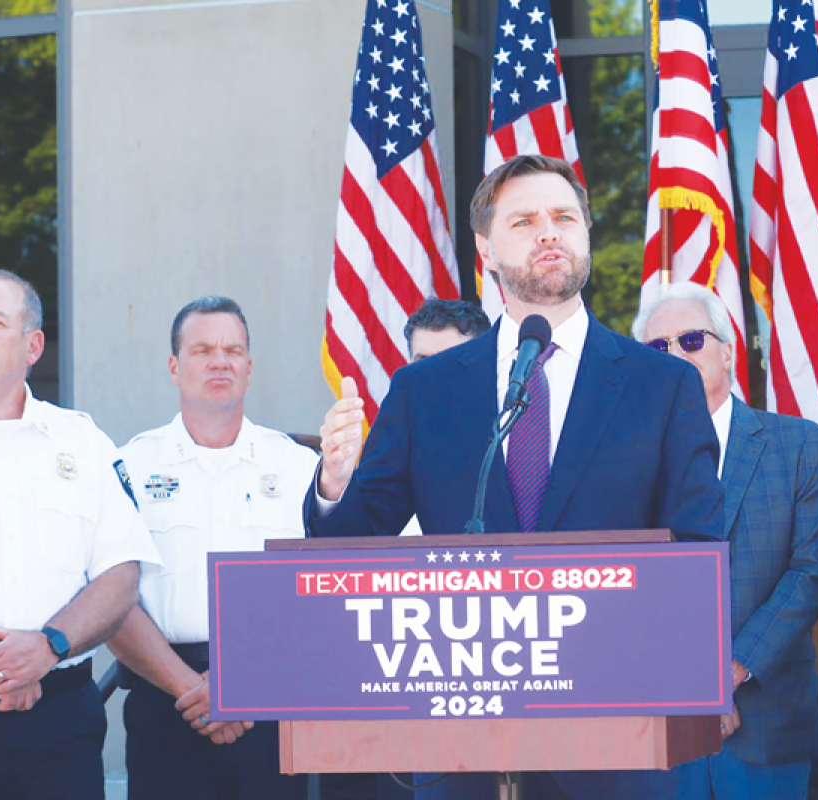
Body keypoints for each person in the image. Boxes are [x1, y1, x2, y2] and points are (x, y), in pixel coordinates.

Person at [306, 154, 725, 799]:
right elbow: (354, 547)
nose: (549, 232)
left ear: (586, 231)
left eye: (563, 217)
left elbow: (698, 552)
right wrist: (335, 486)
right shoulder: (425, 390)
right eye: (525, 221)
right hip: (461, 749)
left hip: (613, 747)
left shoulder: (662, 386)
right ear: (485, 249)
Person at [0, 269, 160, 799]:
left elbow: (121, 575)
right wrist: (7, 666)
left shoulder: (84, 441)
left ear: (34, 345)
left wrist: (49, 647)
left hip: (60, 723)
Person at [633, 282, 818, 799]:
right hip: (660, 722)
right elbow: (622, 575)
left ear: (728, 350)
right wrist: (692, 684)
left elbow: (812, 571)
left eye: (691, 340)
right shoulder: (624, 458)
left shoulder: (798, 443)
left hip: (766, 720)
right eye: (659, 348)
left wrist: (729, 672)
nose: (677, 354)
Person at [109, 296, 320, 800]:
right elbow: (110, 596)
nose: (220, 360)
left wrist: (244, 685)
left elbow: (319, 590)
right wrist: (189, 687)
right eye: (202, 349)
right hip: (164, 692)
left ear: (249, 367)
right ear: (174, 367)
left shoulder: (295, 467)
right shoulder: (128, 468)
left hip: (272, 698)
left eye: (233, 349)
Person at [397, 298, 491, 538]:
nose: (435, 376)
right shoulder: (394, 447)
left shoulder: (510, 442)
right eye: (424, 364)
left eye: (450, 361)